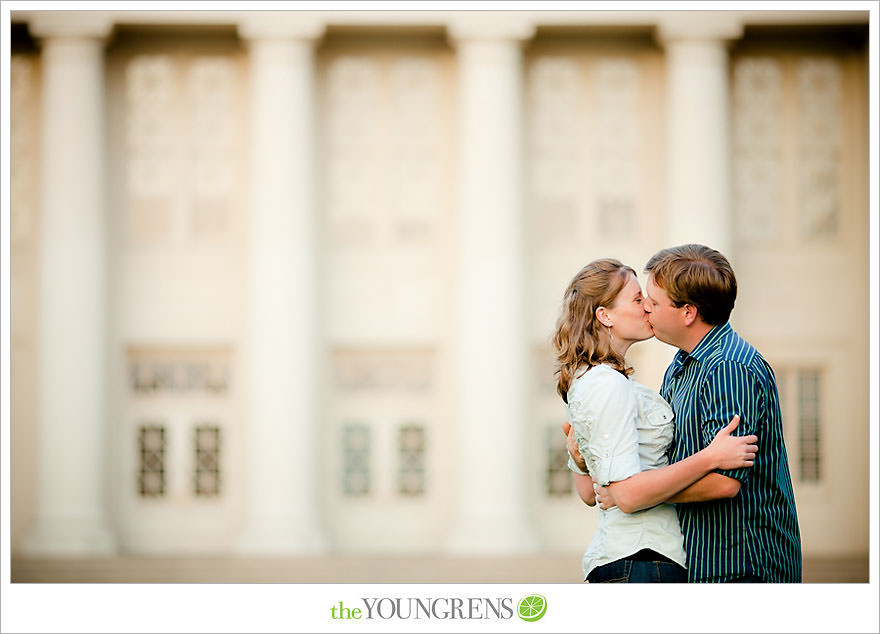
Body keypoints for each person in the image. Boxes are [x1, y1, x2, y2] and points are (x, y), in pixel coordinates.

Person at [586, 244, 802, 583]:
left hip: (742, 565)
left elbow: (724, 481)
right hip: (700, 560)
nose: (647, 310)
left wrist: (629, 493)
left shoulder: (729, 368)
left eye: (653, 303)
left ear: (688, 313)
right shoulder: (680, 367)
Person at [554, 258, 758, 583]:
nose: (647, 307)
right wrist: (710, 457)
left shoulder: (591, 379)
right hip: (642, 559)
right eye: (637, 300)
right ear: (604, 315)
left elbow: (589, 493)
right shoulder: (607, 383)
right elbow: (627, 496)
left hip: (631, 558)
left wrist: (580, 460)